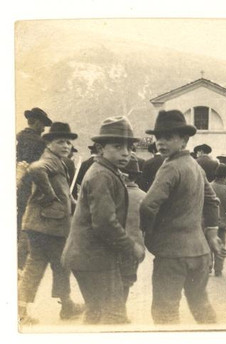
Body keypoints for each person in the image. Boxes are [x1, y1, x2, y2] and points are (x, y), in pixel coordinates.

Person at [139, 110, 224, 324]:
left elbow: (148, 205)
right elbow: (213, 201)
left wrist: (148, 236)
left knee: (165, 310)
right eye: (159, 137)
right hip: (200, 253)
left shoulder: (170, 168)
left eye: (169, 137)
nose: (161, 142)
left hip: (172, 255)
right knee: (201, 304)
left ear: (184, 140)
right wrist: (212, 234)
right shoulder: (195, 166)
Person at [62, 117, 146, 324]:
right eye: (118, 146)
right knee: (114, 317)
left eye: (128, 146)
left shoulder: (107, 171)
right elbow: (105, 223)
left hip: (89, 256)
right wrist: (131, 247)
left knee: (96, 313)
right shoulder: (102, 175)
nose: (126, 152)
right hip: (94, 258)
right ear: (100, 148)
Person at [18, 122, 86, 324]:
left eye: (68, 142)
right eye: (60, 142)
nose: (66, 146)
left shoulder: (57, 160)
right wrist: (50, 196)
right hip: (50, 225)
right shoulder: (50, 160)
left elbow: (63, 191)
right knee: (60, 264)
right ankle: (67, 307)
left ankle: (21, 311)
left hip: (39, 223)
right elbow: (36, 169)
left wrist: (72, 202)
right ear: (49, 143)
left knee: (36, 266)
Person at [17, 107, 52, 270]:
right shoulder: (40, 143)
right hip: (31, 188)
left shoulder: (16, 138)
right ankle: (22, 262)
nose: (44, 128)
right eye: (43, 124)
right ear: (37, 122)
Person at [120, 157, 147, 301]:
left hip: (112, 245)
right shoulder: (144, 196)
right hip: (135, 246)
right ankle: (120, 311)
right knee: (126, 282)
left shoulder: (113, 193)